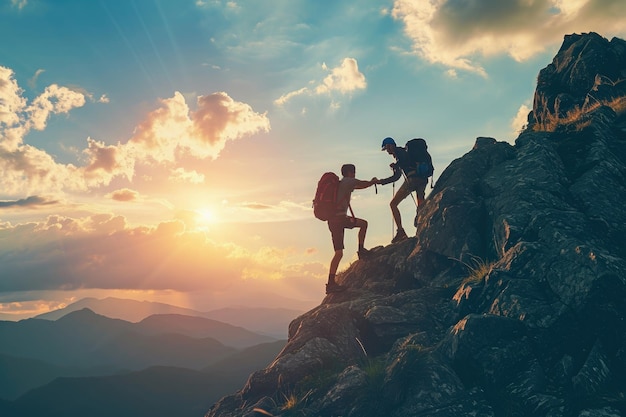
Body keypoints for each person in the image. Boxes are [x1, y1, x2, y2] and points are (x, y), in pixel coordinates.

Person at [326, 163, 377, 294]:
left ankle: (331, 283)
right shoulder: (348, 181)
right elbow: (363, 184)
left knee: (339, 251)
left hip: (336, 220)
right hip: (339, 220)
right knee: (339, 252)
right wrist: (373, 182)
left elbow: (358, 186)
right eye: (354, 172)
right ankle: (360, 251)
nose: (355, 174)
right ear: (350, 172)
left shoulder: (343, 183)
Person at [377, 137, 431, 243]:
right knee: (420, 205)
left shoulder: (399, 152)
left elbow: (402, 164)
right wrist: (381, 181)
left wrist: (396, 165)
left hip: (412, 180)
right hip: (423, 179)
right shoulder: (404, 153)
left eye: (386, 148)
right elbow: (396, 176)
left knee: (393, 204)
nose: (387, 151)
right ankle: (423, 225)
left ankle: (401, 232)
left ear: (390, 145)